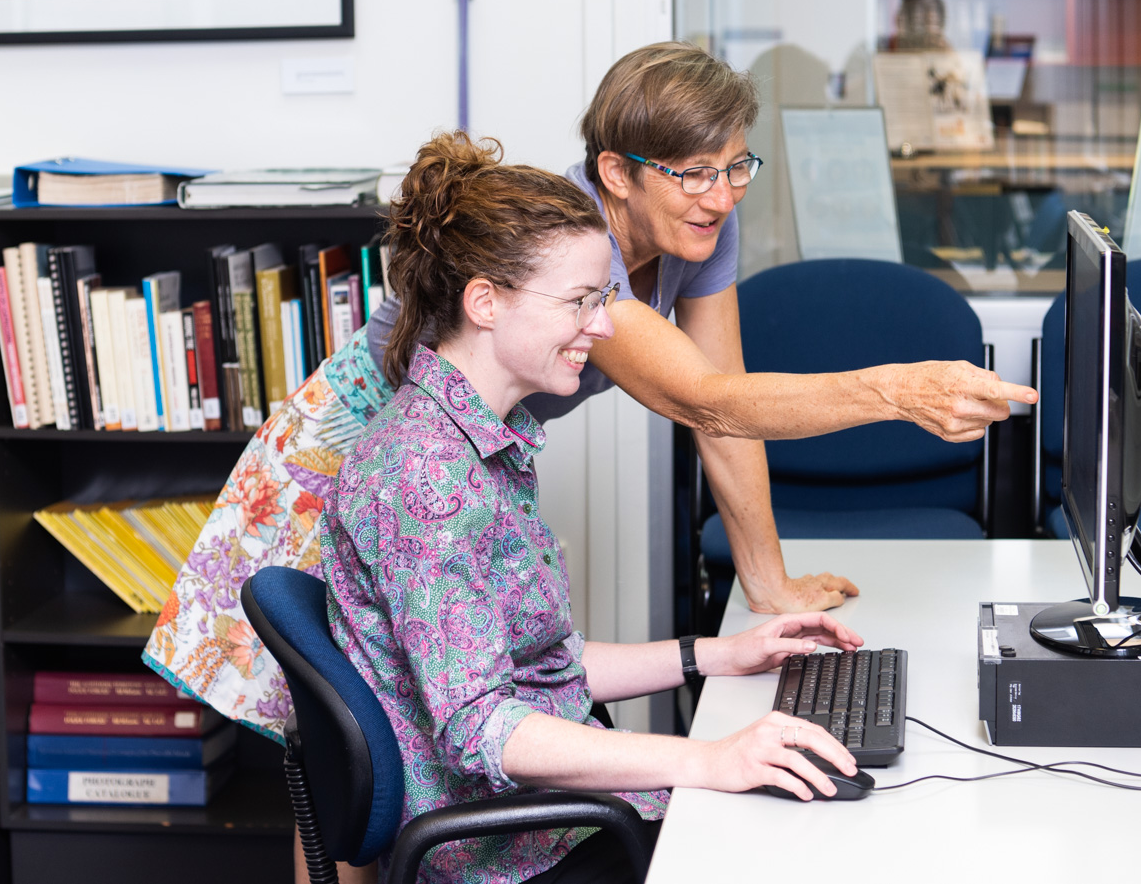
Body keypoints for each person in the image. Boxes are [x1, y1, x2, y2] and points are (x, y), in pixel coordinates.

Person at [146, 42, 1036, 737]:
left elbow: (719, 408)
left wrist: (769, 583)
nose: (721, 195)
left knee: (399, 739)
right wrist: (895, 390)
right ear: (617, 172)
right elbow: (711, 402)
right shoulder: (582, 253)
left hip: (460, 469)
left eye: (735, 167)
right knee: (341, 746)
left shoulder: (697, 225)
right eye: (692, 172)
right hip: (349, 460)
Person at [316, 132, 863, 883]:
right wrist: (709, 758)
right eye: (581, 301)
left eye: (603, 297)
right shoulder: (424, 481)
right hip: (505, 850)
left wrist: (720, 653)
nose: (603, 326)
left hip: (546, 819)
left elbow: (543, 664)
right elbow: (487, 729)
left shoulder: (485, 439)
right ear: (484, 302)